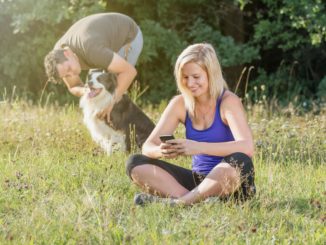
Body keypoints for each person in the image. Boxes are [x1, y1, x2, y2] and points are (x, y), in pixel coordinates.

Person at [126, 43, 256, 206]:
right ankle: (194, 202)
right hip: (198, 182)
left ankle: (180, 203)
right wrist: (161, 151)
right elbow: (148, 146)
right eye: (185, 77)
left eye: (196, 77)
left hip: (231, 184)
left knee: (240, 160)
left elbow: (247, 147)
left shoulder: (228, 102)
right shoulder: (180, 104)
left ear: (211, 74)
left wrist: (198, 147)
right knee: (135, 163)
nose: (190, 83)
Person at [44, 12, 143, 121]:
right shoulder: (58, 58)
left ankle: (132, 130)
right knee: (97, 93)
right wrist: (85, 91)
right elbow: (73, 86)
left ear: (67, 53)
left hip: (127, 36)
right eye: (66, 75)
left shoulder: (91, 49)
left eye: (69, 69)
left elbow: (129, 71)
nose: (72, 75)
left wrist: (111, 101)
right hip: (100, 44)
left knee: (112, 94)